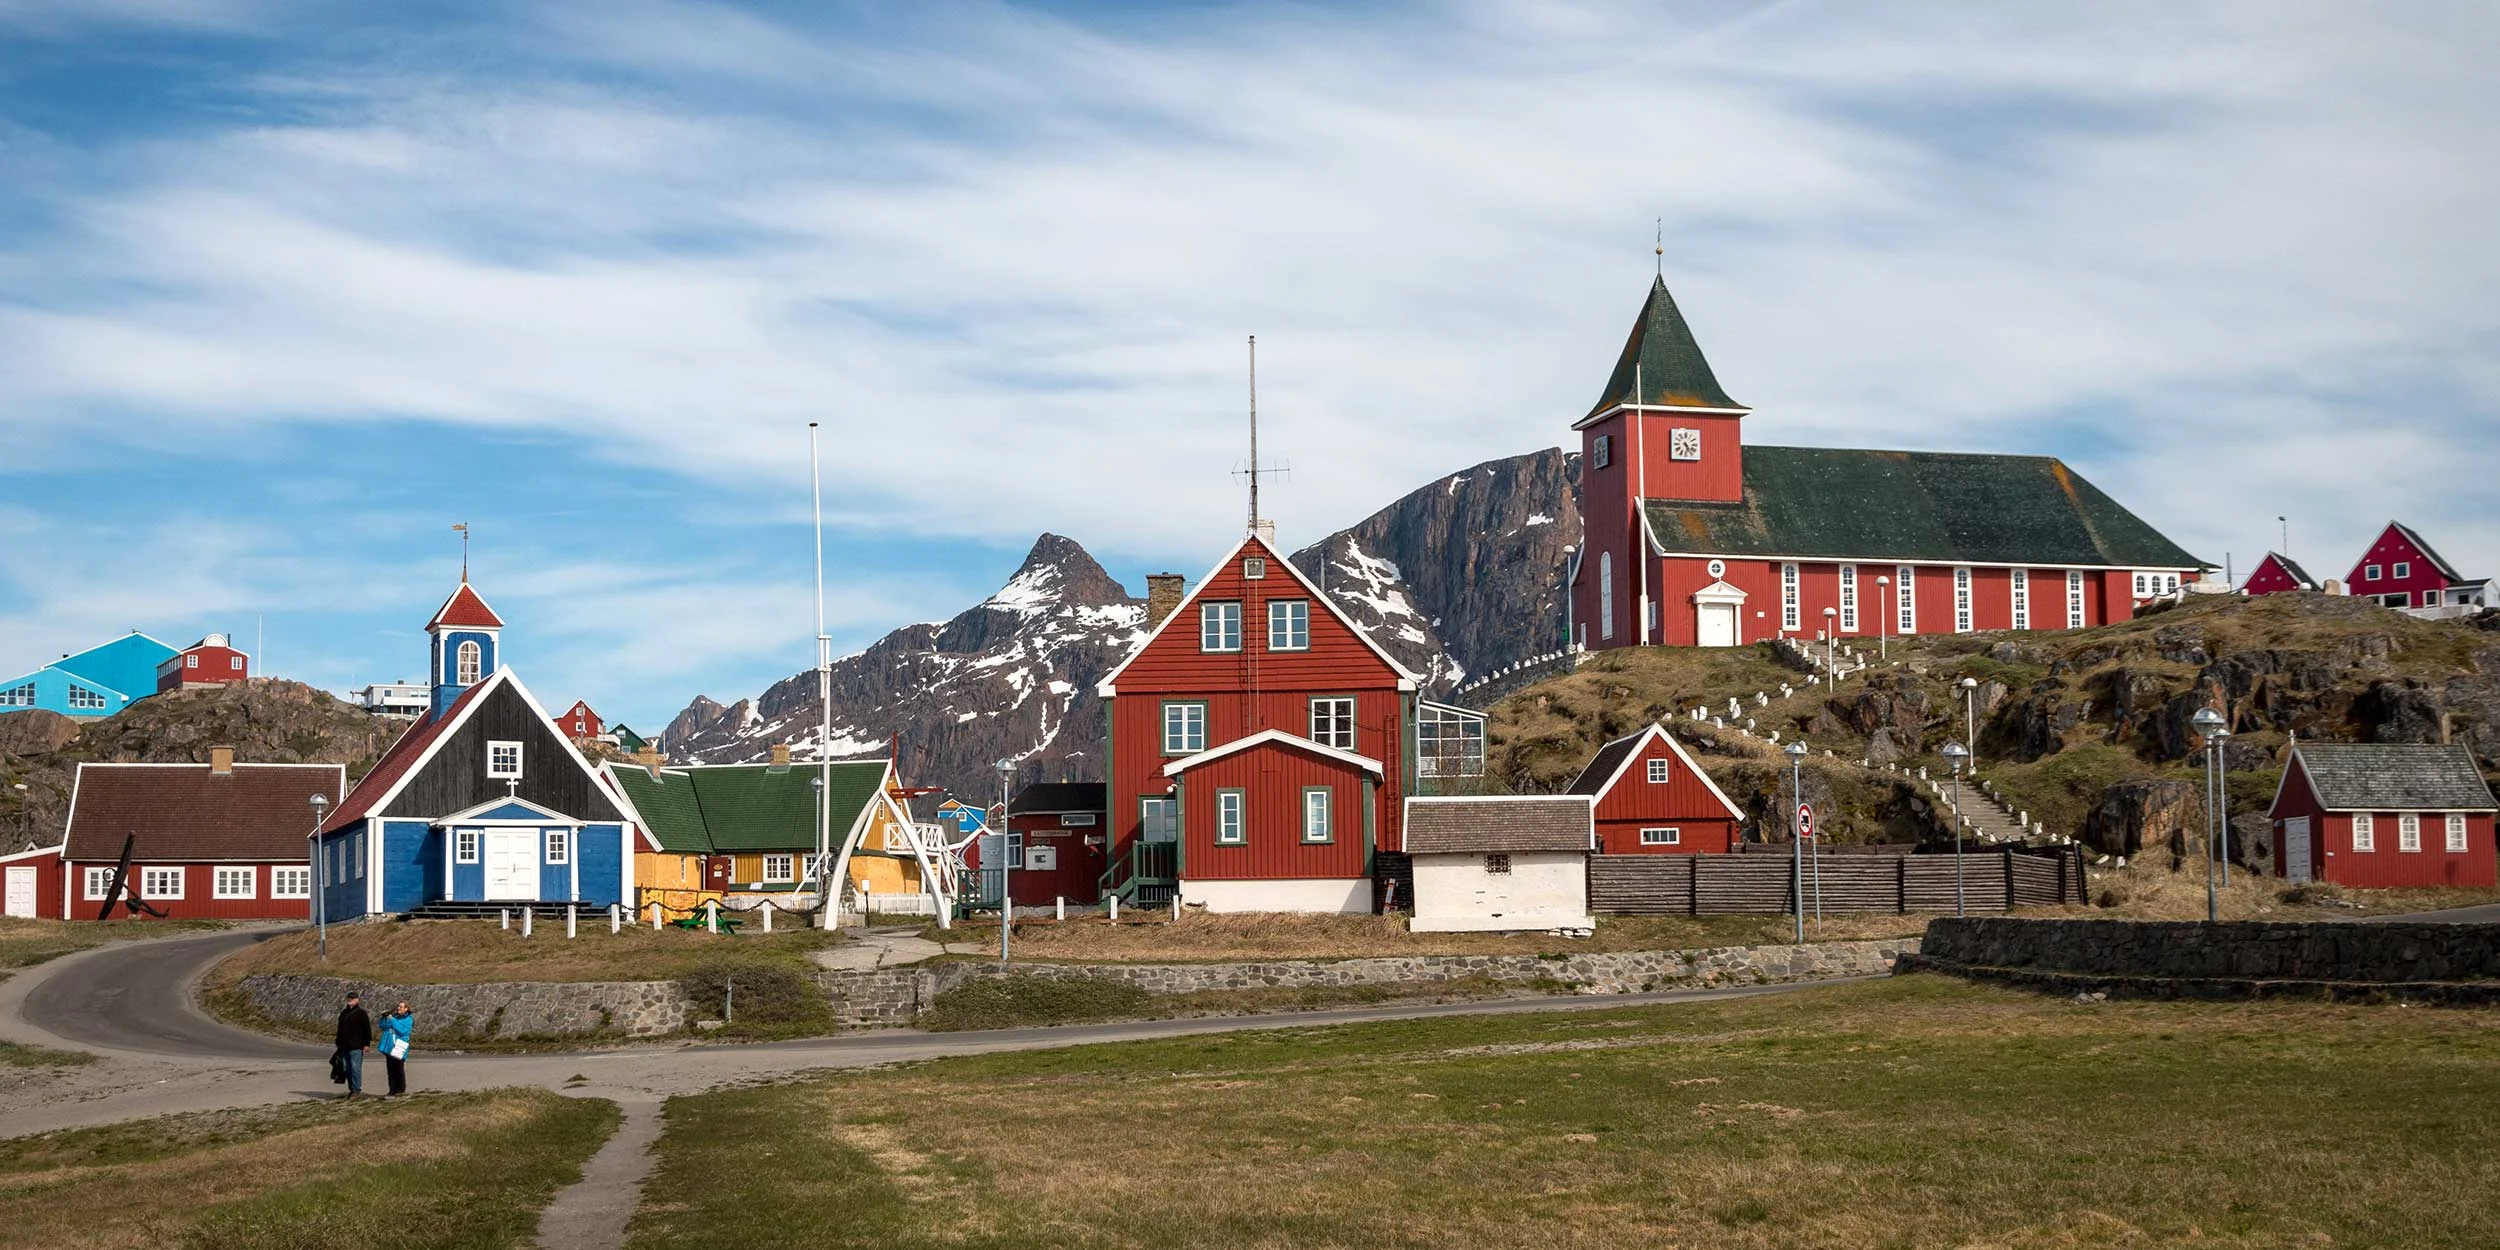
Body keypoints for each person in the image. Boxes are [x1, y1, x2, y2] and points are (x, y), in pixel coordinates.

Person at [333, 992, 373, 1098]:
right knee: (346, 1068)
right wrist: (338, 1042)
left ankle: (356, 1089)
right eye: (349, 998)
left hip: (356, 1046)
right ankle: (351, 1089)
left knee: (355, 1068)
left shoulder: (361, 1013)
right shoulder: (344, 1013)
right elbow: (339, 1029)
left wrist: (366, 1044)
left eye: (352, 998)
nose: (350, 999)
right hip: (344, 1046)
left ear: (357, 1000)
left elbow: (367, 1030)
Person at [377, 999, 414, 1096]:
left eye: (401, 1007)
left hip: (399, 1046)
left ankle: (400, 1090)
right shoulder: (394, 1016)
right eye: (398, 1006)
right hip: (389, 1046)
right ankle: (392, 1090)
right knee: (390, 1070)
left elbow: (402, 1030)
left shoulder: (408, 1019)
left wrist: (392, 1020)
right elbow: (383, 1026)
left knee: (398, 1069)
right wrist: (384, 1018)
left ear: (406, 1009)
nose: (398, 1008)